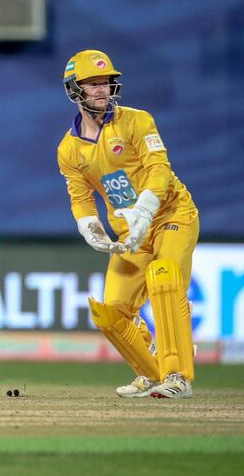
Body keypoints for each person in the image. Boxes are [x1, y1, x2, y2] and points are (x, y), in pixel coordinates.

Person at [56, 50, 199, 399]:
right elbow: (80, 197)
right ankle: (151, 374)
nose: (102, 90)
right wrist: (88, 224)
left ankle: (177, 375)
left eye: (105, 82)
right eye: (92, 84)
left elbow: (158, 168)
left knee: (164, 278)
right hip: (129, 234)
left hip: (171, 216)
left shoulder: (137, 121)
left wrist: (147, 208)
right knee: (111, 313)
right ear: (75, 91)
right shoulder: (69, 149)